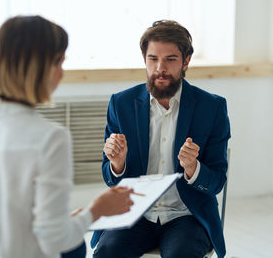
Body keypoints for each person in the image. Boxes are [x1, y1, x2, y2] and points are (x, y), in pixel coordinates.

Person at [0, 15, 134, 258]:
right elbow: (54, 239)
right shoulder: (50, 138)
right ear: (36, 68)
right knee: (77, 246)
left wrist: (64, 221)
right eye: (58, 62)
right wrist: (97, 210)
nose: (61, 74)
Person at [91, 20, 231, 258]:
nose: (160, 68)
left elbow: (217, 182)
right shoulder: (121, 103)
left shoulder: (212, 107)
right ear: (144, 59)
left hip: (186, 216)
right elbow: (111, 180)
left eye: (170, 59)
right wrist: (117, 164)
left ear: (186, 61)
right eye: (153, 59)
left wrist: (192, 168)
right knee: (106, 252)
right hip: (135, 213)